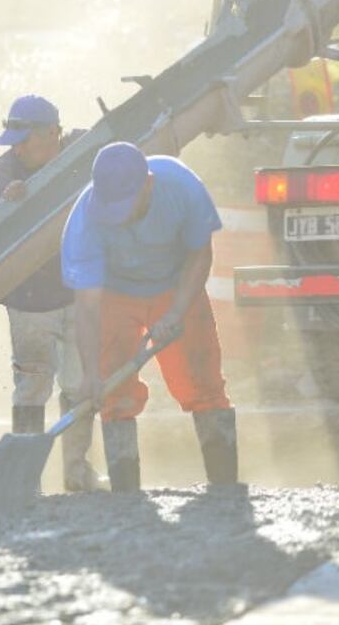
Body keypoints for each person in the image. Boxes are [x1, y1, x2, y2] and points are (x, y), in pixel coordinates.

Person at [61, 141, 237, 492]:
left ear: (149, 184)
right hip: (114, 293)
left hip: (176, 284)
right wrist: (92, 373)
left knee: (202, 381)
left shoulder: (183, 188)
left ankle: (225, 488)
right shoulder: (84, 224)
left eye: (124, 207)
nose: (118, 216)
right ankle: (127, 493)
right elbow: (88, 305)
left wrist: (177, 310)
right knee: (114, 391)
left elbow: (200, 254)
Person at [0, 94, 102, 491]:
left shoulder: (79, 150)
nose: (17, 147)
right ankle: (25, 480)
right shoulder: (4, 174)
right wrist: (7, 205)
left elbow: (111, 146)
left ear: (53, 133)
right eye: (13, 139)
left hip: (78, 294)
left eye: (24, 138)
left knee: (79, 383)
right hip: (29, 302)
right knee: (33, 385)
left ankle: (77, 470)